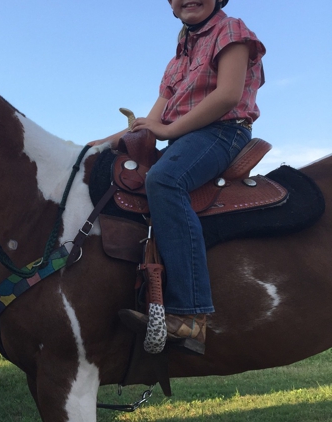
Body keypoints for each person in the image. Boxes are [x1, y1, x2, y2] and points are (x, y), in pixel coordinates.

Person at [88, 0, 265, 352]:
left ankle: (190, 315)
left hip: (222, 132)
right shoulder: (176, 62)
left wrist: (169, 132)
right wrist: (96, 146)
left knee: (164, 181)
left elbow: (228, 95)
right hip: (185, 138)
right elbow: (149, 124)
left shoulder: (230, 30)